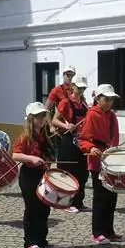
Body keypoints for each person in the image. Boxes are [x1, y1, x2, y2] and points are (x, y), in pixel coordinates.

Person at [78, 84, 122, 244]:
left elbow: (115, 137)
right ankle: (97, 232)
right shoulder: (92, 115)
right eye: (106, 99)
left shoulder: (112, 116)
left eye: (111, 99)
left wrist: (115, 152)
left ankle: (109, 230)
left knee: (112, 196)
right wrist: (92, 147)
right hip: (97, 161)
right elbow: (83, 139)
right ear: (98, 99)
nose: (109, 102)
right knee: (100, 197)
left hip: (111, 159)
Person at [12, 103, 54, 248]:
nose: (42, 119)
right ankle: (30, 242)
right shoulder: (25, 137)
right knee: (32, 209)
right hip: (29, 176)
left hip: (42, 175)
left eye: (43, 116)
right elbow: (15, 155)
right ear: (31, 118)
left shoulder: (43, 135)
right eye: (38, 116)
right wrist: (31, 158)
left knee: (44, 208)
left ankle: (42, 240)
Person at [51, 75, 89, 213]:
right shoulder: (65, 102)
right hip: (68, 140)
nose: (81, 90)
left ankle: (79, 202)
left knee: (82, 172)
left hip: (81, 141)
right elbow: (55, 120)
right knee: (69, 171)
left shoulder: (84, 103)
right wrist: (66, 126)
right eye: (79, 88)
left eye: (83, 88)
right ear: (73, 86)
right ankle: (66, 203)